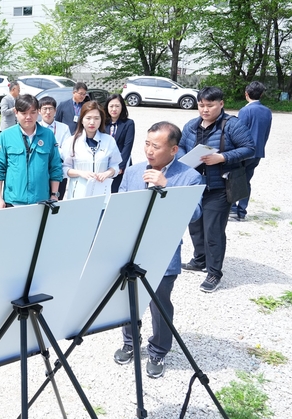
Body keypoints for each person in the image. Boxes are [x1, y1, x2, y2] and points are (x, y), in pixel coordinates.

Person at [113, 121, 202, 379]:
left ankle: (158, 350)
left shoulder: (189, 176)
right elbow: (122, 204)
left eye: (157, 146)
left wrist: (167, 188)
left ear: (174, 150)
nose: (149, 151)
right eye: (147, 144)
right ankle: (130, 341)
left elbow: (194, 214)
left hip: (164, 251)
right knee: (128, 299)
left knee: (160, 303)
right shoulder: (134, 171)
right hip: (131, 248)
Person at [179, 87, 254, 293]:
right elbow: (180, 147)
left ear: (221, 104)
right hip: (195, 185)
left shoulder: (232, 125)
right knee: (195, 226)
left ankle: (214, 273)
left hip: (219, 187)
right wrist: (184, 158)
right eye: (201, 105)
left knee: (213, 230)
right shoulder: (191, 126)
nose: (205, 109)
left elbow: (249, 148)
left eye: (210, 105)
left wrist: (222, 157)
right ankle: (199, 260)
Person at [0, 94, 62, 208]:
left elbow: (55, 166)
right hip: (13, 201)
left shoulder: (48, 135)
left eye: (33, 112)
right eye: (24, 113)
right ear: (16, 112)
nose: (28, 117)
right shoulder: (5, 136)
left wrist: (54, 194)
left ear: (38, 112)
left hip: (41, 200)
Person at [61, 101, 122, 200]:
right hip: (77, 196)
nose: (92, 122)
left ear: (101, 120)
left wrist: (107, 173)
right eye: (88, 118)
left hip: (102, 195)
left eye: (96, 118)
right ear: (81, 120)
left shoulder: (109, 140)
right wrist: (80, 173)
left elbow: (115, 166)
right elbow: (64, 169)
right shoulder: (71, 142)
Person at [230, 81, 272, 221]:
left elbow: (239, 132)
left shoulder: (245, 110)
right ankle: (242, 210)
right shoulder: (267, 111)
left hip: (244, 151)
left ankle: (233, 209)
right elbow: (266, 133)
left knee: (235, 178)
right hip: (258, 151)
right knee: (247, 180)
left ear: (246, 94)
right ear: (261, 94)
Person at [104, 94, 135, 193]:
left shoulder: (128, 123)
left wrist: (120, 166)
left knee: (117, 190)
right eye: (111, 106)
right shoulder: (102, 123)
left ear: (122, 107)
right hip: (105, 162)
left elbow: (127, 145)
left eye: (117, 106)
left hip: (121, 163)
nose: (114, 109)